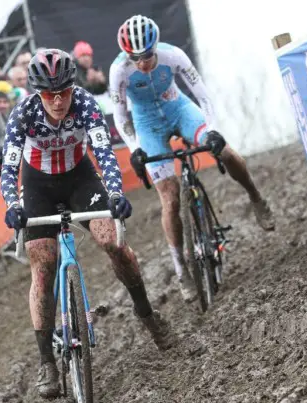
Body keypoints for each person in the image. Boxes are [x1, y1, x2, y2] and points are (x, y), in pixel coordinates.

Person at [1, 48, 172, 399]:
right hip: (38, 185)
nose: (58, 101)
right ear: (37, 93)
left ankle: (149, 316)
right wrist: (12, 205)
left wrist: (114, 193)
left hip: (80, 178)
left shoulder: (85, 103)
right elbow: (8, 168)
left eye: (63, 91)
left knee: (114, 242)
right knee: (43, 265)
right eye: (50, 94)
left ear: (72, 87)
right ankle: (47, 362)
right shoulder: (23, 113)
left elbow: (105, 154)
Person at [109, 15, 277, 301]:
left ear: (155, 47)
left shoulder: (173, 56)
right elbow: (120, 114)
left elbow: (204, 96)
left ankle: (255, 196)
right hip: (148, 125)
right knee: (170, 197)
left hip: (179, 109)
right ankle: (181, 269)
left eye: (146, 56)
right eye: (133, 57)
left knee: (224, 151)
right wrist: (135, 147)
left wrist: (212, 131)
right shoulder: (119, 71)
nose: (141, 63)